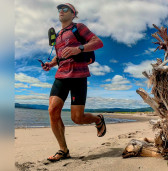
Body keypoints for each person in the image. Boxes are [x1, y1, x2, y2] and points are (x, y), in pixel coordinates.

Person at [41, 3, 106, 162]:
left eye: (65, 9)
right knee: (52, 110)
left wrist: (80, 48)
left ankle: (98, 119)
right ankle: (63, 150)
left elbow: (98, 42)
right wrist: (51, 64)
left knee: (77, 118)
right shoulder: (57, 35)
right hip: (61, 75)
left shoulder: (79, 27)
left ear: (73, 14)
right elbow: (60, 56)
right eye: (59, 9)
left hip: (79, 75)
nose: (61, 11)